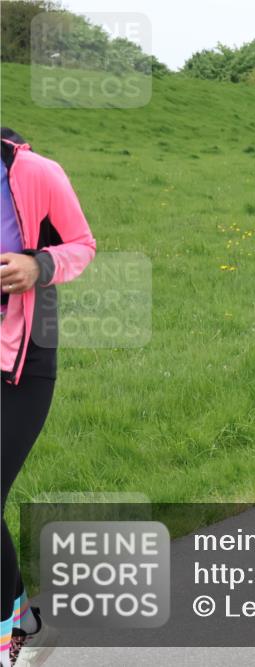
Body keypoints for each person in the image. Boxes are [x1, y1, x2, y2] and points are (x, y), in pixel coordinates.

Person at [1, 128, 96, 666]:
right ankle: (22, 618)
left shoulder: (36, 173)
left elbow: (82, 244)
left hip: (22, 359)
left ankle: (8, 641)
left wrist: (37, 265)